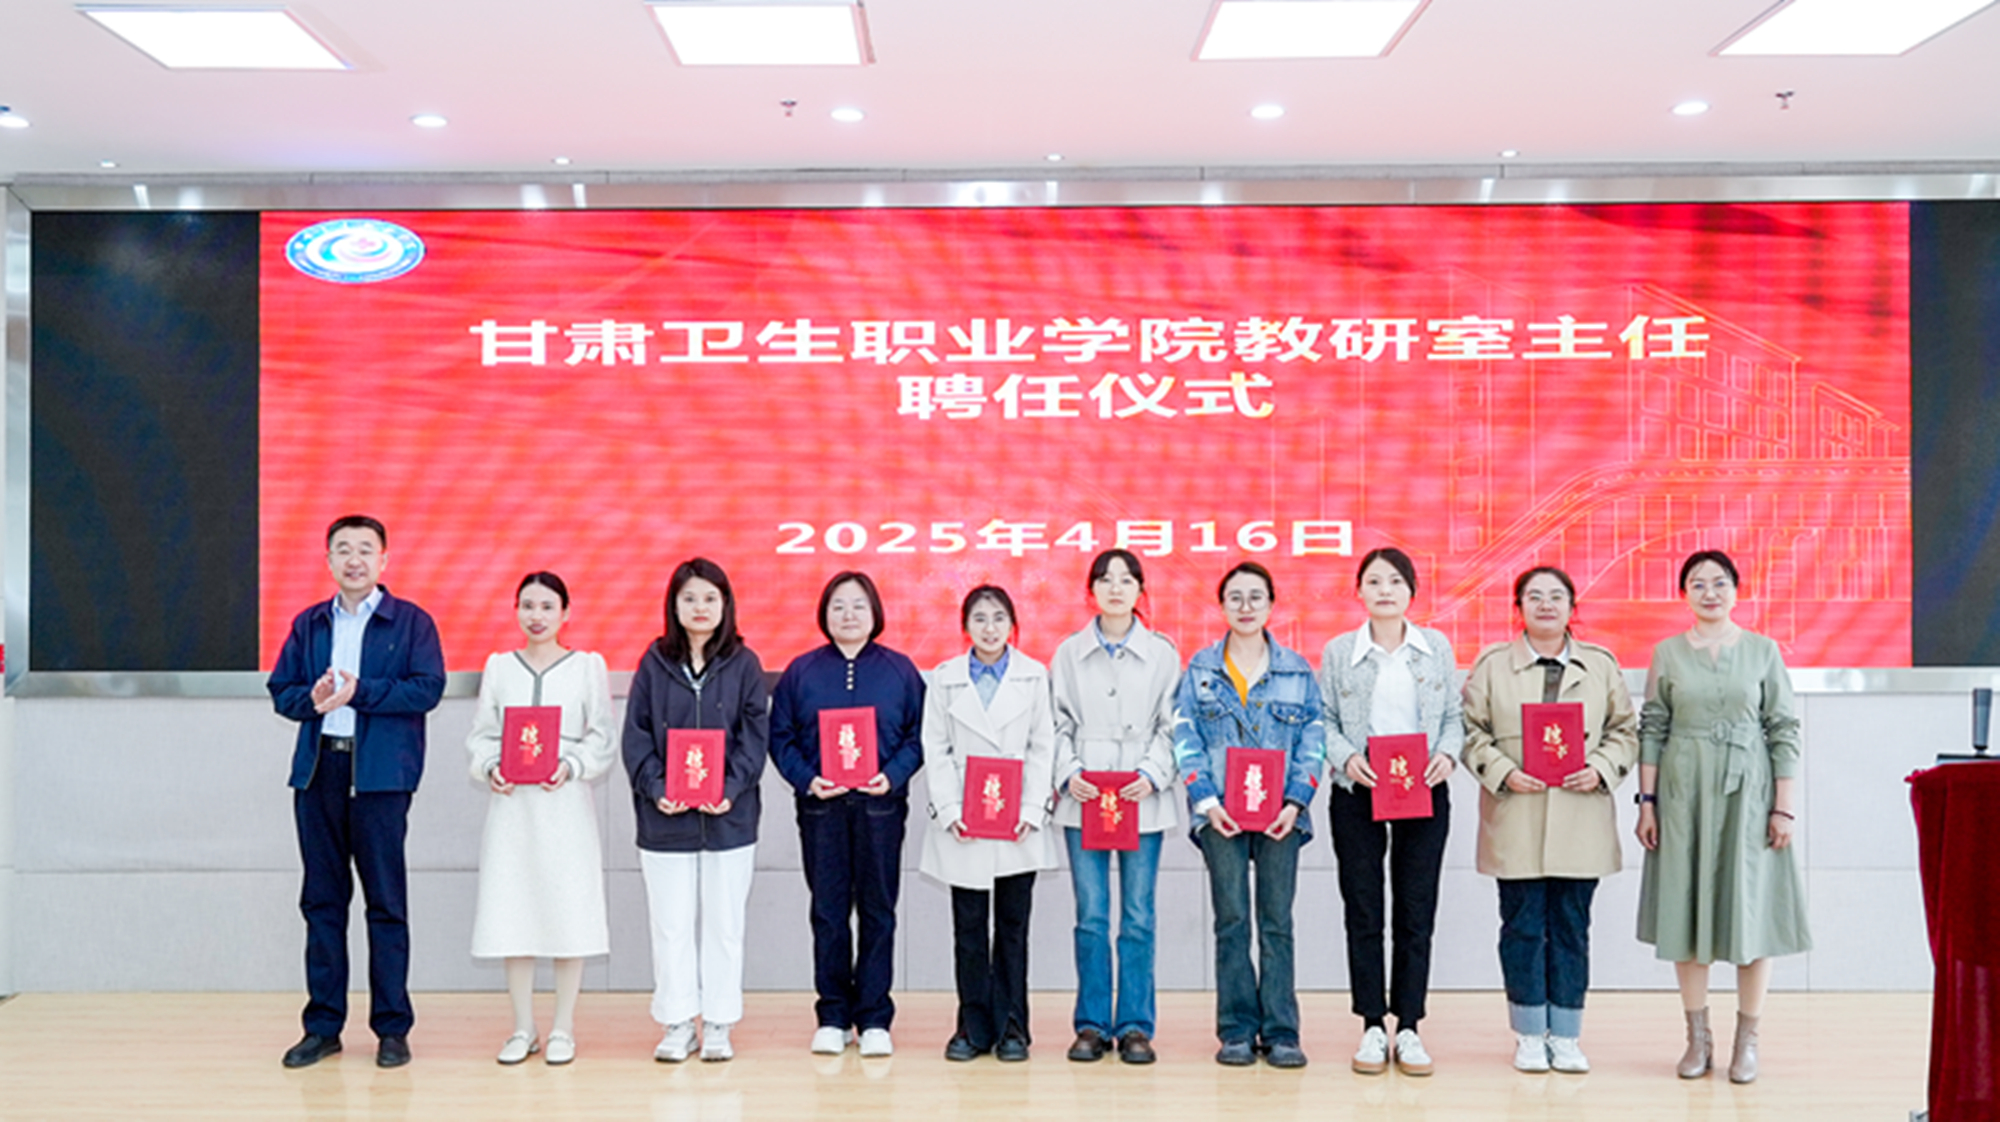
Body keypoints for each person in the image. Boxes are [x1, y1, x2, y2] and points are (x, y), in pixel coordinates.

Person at [267, 514, 445, 1070]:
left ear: (384, 559)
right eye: (342, 549)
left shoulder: (411, 622)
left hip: (381, 779)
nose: (354, 559)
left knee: (385, 904)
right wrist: (313, 699)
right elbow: (282, 691)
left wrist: (359, 692)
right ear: (327, 561)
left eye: (365, 549)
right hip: (319, 772)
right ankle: (322, 1028)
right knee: (322, 902)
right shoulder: (310, 623)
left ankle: (392, 1029)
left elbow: (427, 689)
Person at [1634, 550, 1810, 1084]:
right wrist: (1647, 803)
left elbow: (1783, 728)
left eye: (1719, 582)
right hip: (1683, 794)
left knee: (1750, 913)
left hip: (1749, 796)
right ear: (1682, 593)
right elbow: (1652, 728)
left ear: (1736, 589)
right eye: (1697, 583)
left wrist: (1783, 807)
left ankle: (1746, 1041)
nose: (1709, 592)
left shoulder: (1763, 651)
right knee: (1685, 914)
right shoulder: (1666, 653)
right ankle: (1697, 1039)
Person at [1461, 565, 1638, 1075]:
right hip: (1517, 815)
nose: (1545, 604)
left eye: (1556, 596)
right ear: (1518, 607)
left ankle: (1566, 1034)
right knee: (1521, 928)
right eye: (1534, 596)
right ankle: (1528, 1033)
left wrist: (1600, 768)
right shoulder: (1492, 666)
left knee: (1571, 928)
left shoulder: (1600, 665)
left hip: (1580, 817)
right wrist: (1503, 771)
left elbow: (1625, 731)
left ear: (1571, 607)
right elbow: (1470, 732)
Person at [1173, 561, 1326, 1069]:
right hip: (1221, 816)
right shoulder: (1200, 669)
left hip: (1282, 816)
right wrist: (1207, 801)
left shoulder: (1297, 670)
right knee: (1232, 921)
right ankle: (1236, 1030)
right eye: (1235, 597)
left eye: (1255, 597)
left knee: (1277, 922)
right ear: (1221, 606)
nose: (1245, 607)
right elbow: (1184, 736)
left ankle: (1282, 1032)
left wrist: (1295, 801)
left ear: (1271, 605)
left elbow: (1313, 740)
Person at [769, 571, 927, 1059]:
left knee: (879, 911)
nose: (849, 615)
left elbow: (920, 735)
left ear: (875, 612)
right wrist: (808, 779)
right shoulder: (801, 671)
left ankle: (875, 1017)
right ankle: (834, 1015)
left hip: (882, 807)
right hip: (822, 809)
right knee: (829, 912)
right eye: (838, 605)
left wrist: (892, 775)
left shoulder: (901, 670)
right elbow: (781, 737)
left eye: (859, 605)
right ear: (824, 613)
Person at [1317, 547, 1460, 1077]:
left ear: (1411, 592)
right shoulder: (1339, 651)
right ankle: (1373, 1024)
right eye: (1374, 581)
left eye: (1395, 581)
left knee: (1416, 908)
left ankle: (1411, 1025)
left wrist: (1447, 754)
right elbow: (1324, 719)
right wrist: (1346, 758)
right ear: (1359, 591)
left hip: (1423, 788)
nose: (1384, 590)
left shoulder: (1435, 647)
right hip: (1359, 790)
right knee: (1364, 909)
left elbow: (1454, 715)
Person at [464, 572, 616, 1066]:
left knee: (568, 910)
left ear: (565, 613)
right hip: (513, 807)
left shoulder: (587, 666)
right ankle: (522, 1027)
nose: (537, 615)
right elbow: (482, 735)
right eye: (527, 605)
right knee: (515, 911)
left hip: (564, 803)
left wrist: (571, 765)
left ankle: (563, 1028)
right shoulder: (499, 667)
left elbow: (602, 737)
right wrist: (492, 767)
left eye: (547, 606)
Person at [621, 558, 770, 1063]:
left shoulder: (744, 663)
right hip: (665, 818)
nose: (700, 607)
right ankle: (678, 1021)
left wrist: (730, 787)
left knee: (725, 926)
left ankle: (720, 1021)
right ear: (674, 605)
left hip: (729, 818)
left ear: (725, 604)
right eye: (689, 598)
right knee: (670, 925)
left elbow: (755, 735)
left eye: (710, 598)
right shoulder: (654, 662)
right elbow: (636, 734)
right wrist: (655, 786)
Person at [1050, 549, 1180, 1065]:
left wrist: (1151, 774)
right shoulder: (1068, 652)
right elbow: (1054, 723)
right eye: (1105, 580)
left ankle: (1134, 1026)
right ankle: (1090, 1024)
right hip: (1085, 796)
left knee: (1138, 916)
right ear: (1091, 592)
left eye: (1126, 580)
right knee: (1091, 915)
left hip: (1139, 796)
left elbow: (1174, 724)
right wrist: (1069, 772)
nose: (1116, 588)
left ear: (1141, 590)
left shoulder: (1163, 653)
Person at [918, 584, 1058, 1062]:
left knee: (1014, 927)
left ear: (1012, 625)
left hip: (1016, 819)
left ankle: (1013, 1026)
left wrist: (1032, 809)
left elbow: (1043, 745)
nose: (990, 627)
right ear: (965, 626)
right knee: (969, 928)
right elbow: (935, 747)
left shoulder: (1034, 676)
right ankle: (972, 1026)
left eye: (999, 618)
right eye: (979, 618)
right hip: (966, 820)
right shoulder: (945, 678)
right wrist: (950, 810)